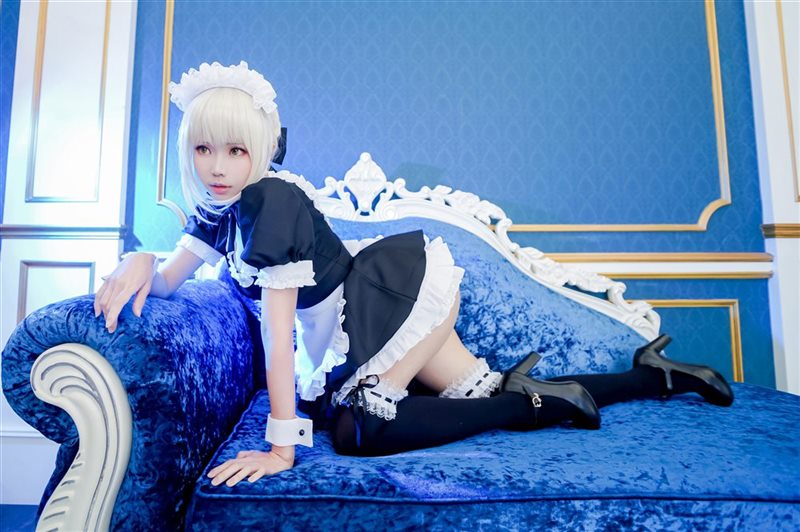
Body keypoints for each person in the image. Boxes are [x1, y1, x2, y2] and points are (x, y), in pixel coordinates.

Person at [93, 61, 734, 488]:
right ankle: (656, 376)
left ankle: (530, 400)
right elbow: (171, 279)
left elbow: (276, 334)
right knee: (478, 391)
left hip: (388, 301)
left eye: (235, 150)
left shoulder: (272, 201)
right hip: (364, 324)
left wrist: (282, 448)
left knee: (360, 429)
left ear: (260, 150)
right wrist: (139, 258)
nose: (217, 166)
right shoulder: (221, 211)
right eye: (203, 148)